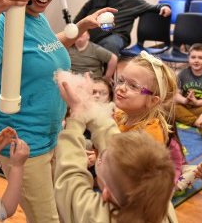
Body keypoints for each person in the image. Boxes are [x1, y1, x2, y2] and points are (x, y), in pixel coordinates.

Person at [0, 0, 117, 222]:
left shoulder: (36, 18)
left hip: (52, 134)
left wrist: (83, 26)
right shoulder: (6, 20)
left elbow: (48, 46)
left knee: (66, 208)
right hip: (23, 144)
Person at [54, 78, 178, 223]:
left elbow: (70, 177)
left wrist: (75, 118)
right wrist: (90, 108)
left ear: (106, 193)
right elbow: (121, 149)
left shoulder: (95, 216)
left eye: (101, 160)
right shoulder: (162, 207)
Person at [73, 0, 171, 58]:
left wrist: (164, 6)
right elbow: (81, 14)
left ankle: (106, 78)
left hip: (116, 35)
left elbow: (152, 7)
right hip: (91, 34)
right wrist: (76, 29)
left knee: (109, 45)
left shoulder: (133, 0)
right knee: (71, 40)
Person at [114, 51, 177, 144]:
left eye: (133, 86)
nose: (122, 88)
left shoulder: (149, 136)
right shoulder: (119, 117)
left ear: (152, 101)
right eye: (121, 80)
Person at [175, 43, 202, 140]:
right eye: (193, 57)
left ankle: (201, 121)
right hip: (187, 106)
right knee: (169, 106)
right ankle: (198, 122)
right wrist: (185, 100)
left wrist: (197, 102)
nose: (196, 61)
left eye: (200, 58)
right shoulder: (183, 73)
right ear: (188, 58)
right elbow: (176, 95)